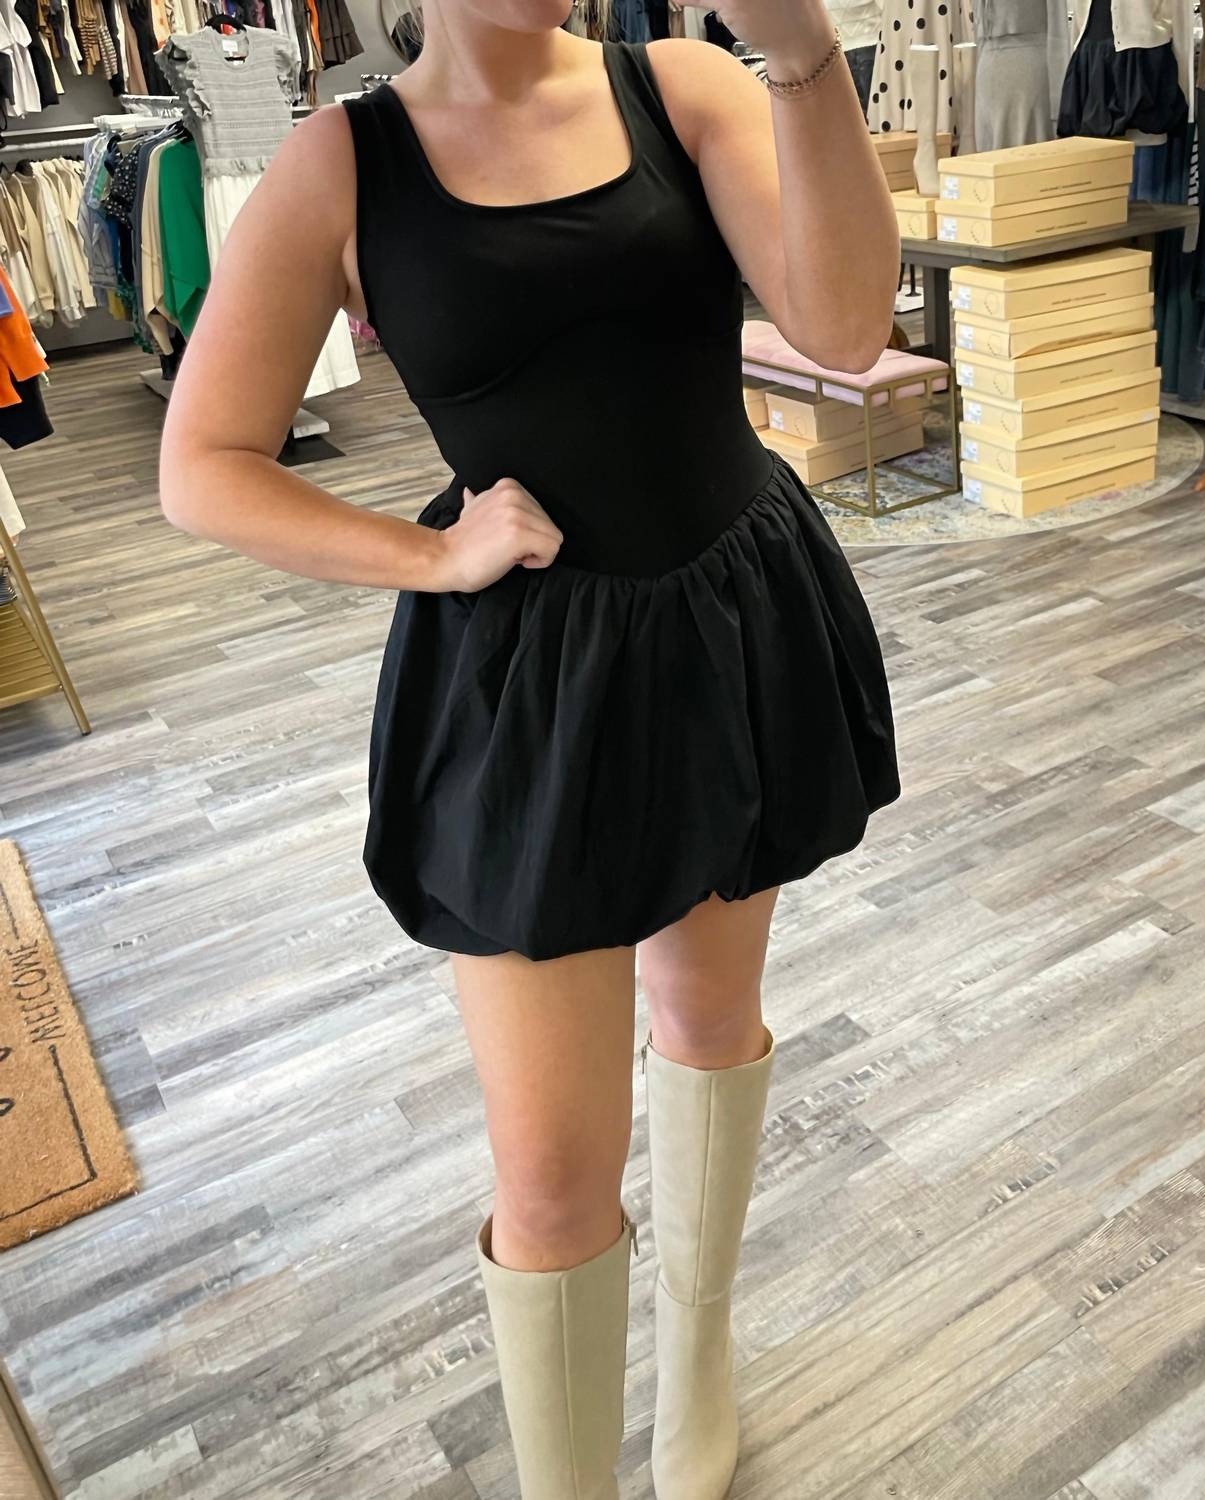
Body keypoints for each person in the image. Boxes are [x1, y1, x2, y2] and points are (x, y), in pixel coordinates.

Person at [156, 0, 902, 1493]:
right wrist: (429, 556)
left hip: (724, 618)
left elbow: (841, 330)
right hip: (529, 688)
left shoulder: (681, 87)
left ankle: (698, 1358)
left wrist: (801, 50)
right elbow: (205, 465)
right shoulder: (340, 165)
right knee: (553, 1177)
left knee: (708, 1025)